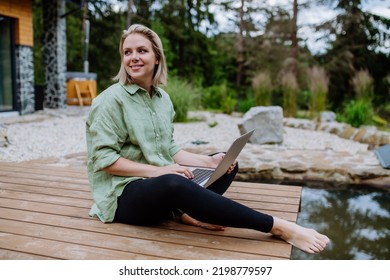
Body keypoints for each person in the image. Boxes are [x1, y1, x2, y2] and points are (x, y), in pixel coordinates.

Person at [86, 23, 330, 254]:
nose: (133, 57)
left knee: (226, 166)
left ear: (157, 57)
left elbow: (169, 148)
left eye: (142, 50)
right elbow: (105, 160)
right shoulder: (110, 100)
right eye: (127, 52)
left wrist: (210, 162)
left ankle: (185, 213)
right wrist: (159, 172)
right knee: (173, 182)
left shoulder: (162, 100)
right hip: (122, 197)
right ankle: (277, 226)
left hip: (157, 189)